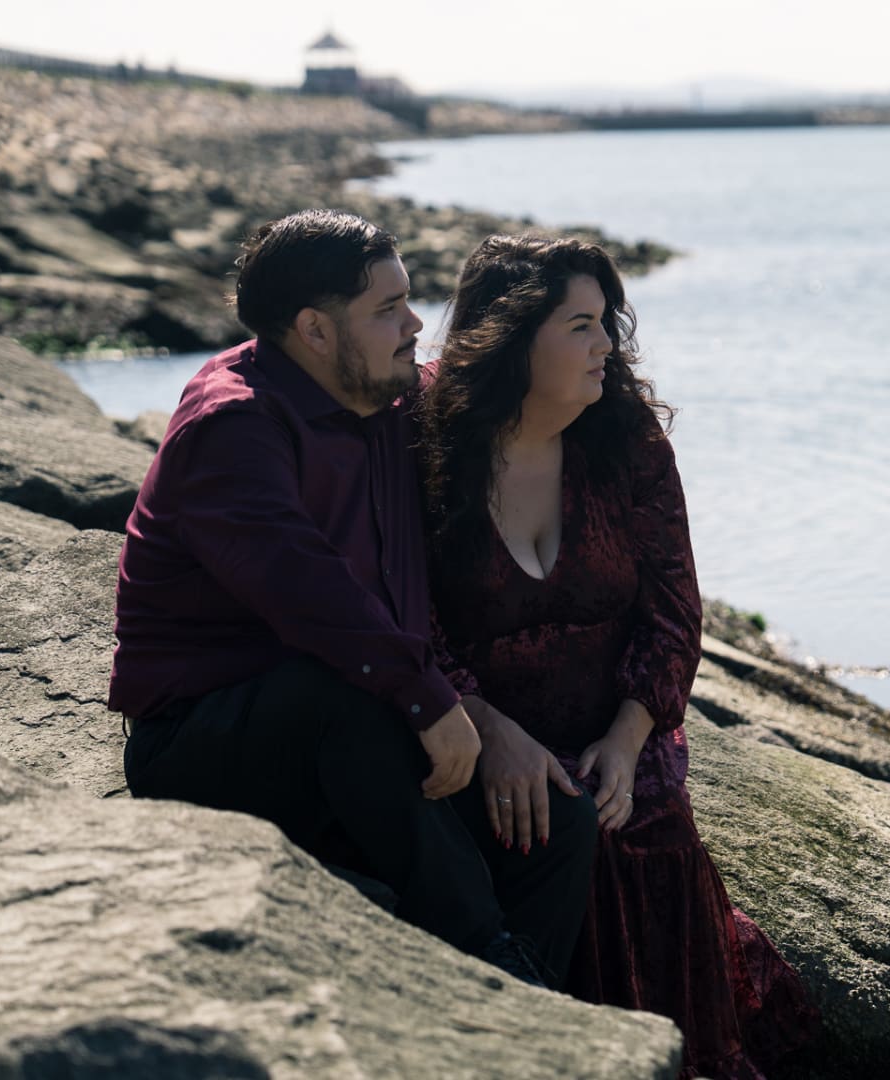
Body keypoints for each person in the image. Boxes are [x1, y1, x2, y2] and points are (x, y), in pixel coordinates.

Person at [109, 209, 596, 988]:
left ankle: (521, 998)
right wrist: (433, 701)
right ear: (314, 329)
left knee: (555, 818)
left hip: (356, 724)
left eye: (409, 302)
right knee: (342, 695)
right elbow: (312, 595)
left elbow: (512, 399)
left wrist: (618, 409)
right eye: (387, 308)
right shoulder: (233, 426)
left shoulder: (386, 397)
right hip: (208, 747)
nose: (415, 324)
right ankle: (490, 966)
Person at [416, 235, 818, 1078]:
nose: (607, 344)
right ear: (511, 338)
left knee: (639, 835)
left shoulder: (627, 440)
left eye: (606, 322)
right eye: (581, 326)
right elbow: (405, 618)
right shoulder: (421, 445)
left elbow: (674, 611)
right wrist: (486, 729)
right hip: (486, 750)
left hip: (617, 741)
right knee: (540, 837)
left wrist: (630, 740)